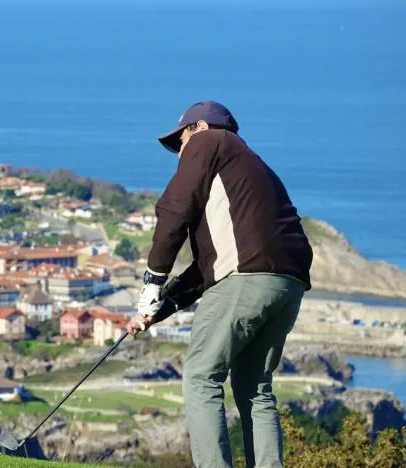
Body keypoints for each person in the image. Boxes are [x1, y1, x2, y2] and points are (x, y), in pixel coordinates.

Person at [127, 101, 313, 468]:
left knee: (201, 378)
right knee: (255, 390)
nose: (180, 151)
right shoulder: (251, 169)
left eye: (179, 140)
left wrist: (152, 281)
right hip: (287, 287)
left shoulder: (208, 142)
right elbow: (206, 268)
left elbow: (173, 211)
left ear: (197, 127)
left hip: (245, 280)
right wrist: (158, 308)